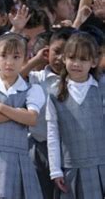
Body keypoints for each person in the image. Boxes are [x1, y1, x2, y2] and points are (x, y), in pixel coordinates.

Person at [0, 33, 45, 198]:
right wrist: (18, 112)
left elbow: (32, 118)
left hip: (17, 156)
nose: (9, 62)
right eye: (4, 56)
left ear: (25, 58)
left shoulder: (32, 89)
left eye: (16, 57)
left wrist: (1, 108)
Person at [46, 32, 105, 198]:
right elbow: (53, 135)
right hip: (70, 168)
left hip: (101, 165)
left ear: (93, 62)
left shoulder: (101, 89)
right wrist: (55, 170)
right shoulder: (54, 93)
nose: (76, 64)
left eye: (83, 59)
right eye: (72, 58)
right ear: (64, 59)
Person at [23, 27, 75, 199]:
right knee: (40, 192)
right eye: (56, 51)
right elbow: (14, 79)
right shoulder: (36, 77)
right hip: (40, 147)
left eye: (67, 53)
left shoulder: (78, 80)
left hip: (68, 149)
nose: (60, 58)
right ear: (47, 51)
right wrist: (35, 60)